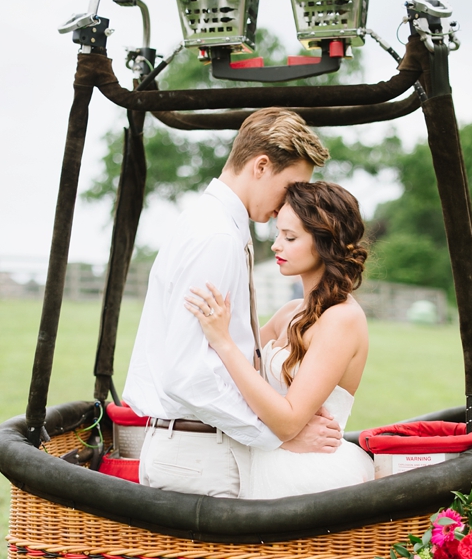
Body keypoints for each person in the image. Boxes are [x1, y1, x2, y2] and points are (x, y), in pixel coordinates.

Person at [122, 107, 343, 498]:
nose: (289, 201)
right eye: (291, 184)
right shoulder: (216, 237)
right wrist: (276, 436)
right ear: (260, 166)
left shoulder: (216, 225)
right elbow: (190, 374)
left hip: (202, 448)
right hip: (199, 455)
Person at [186, 180, 375, 499]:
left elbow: (288, 420)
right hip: (265, 460)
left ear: (324, 243)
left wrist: (224, 341)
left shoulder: (342, 319)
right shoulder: (289, 312)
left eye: (289, 237)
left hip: (309, 475)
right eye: (277, 234)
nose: (276, 245)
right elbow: (231, 376)